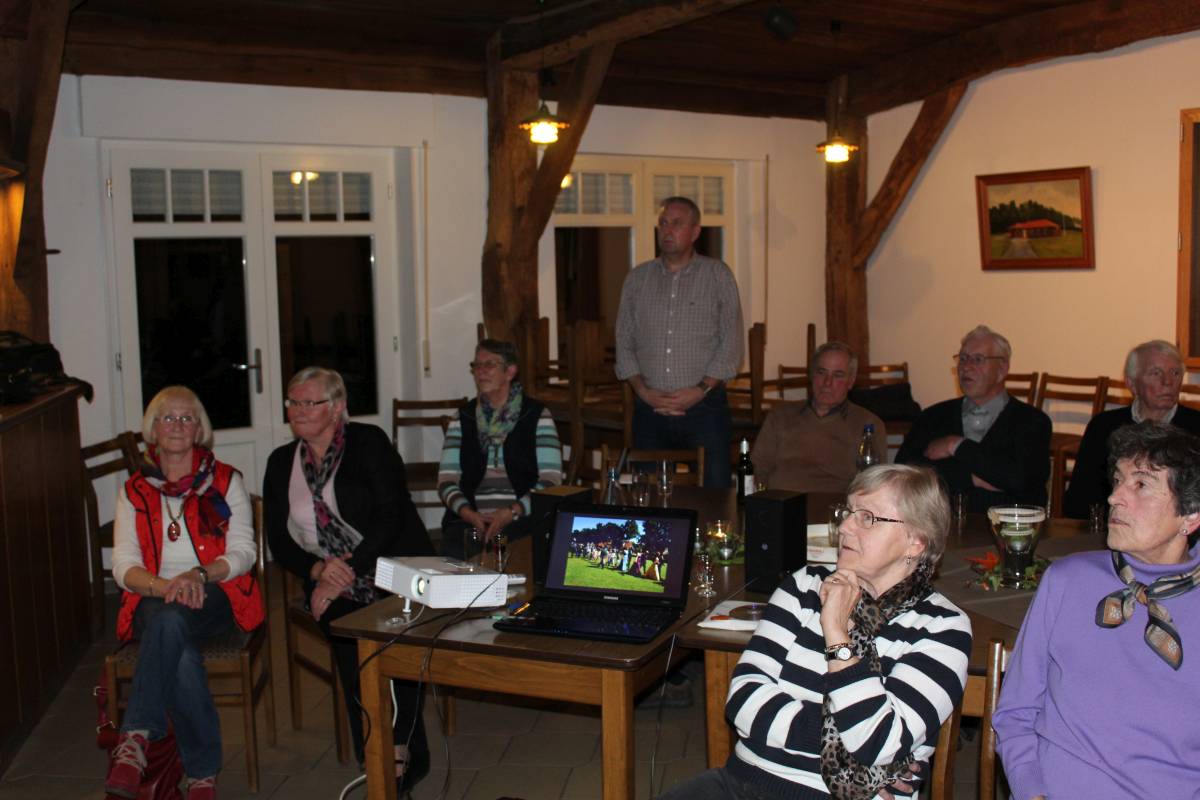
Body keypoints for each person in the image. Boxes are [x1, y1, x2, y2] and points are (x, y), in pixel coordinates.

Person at [659, 464, 971, 800]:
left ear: (916, 542)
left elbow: (878, 741)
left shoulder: (942, 627)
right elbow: (743, 698)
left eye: (867, 518)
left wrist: (836, 632)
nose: (845, 526)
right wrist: (848, 752)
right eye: (848, 512)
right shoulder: (805, 585)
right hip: (742, 783)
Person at [994, 422, 1200, 798]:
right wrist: (1031, 791)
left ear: (1190, 516)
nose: (1115, 496)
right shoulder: (1068, 580)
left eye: (1141, 484)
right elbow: (1015, 712)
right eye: (1118, 480)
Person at [263, 367, 434, 789]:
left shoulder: (368, 442)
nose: (298, 410)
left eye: (310, 402)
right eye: (293, 402)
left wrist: (349, 567)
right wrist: (319, 571)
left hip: (392, 561)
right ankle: (375, 749)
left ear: (337, 407)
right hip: (326, 573)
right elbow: (278, 541)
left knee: (396, 632)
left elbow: (390, 517)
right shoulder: (281, 462)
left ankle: (402, 747)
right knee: (349, 634)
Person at [105, 386, 263, 800]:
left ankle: (136, 737)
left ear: (199, 429)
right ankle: (202, 774)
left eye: (186, 418)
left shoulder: (225, 482)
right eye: (168, 418)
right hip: (152, 597)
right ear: (153, 429)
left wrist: (198, 575)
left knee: (169, 622)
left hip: (215, 593)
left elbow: (244, 553)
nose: (177, 425)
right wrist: (164, 586)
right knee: (177, 641)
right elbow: (123, 566)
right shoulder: (133, 491)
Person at [615, 195, 744, 489]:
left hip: (704, 409)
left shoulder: (717, 275)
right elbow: (623, 341)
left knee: (714, 494)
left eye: (676, 223)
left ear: (695, 232)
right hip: (650, 409)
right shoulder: (637, 279)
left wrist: (700, 390)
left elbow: (732, 343)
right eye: (663, 223)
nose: (667, 230)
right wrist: (643, 391)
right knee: (649, 496)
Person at [896, 325, 1050, 512]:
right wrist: (970, 478)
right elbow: (903, 474)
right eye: (962, 358)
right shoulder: (932, 416)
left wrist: (955, 445)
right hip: (942, 525)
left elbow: (1019, 480)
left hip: (1006, 527)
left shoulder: (1032, 422)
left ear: (1002, 369)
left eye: (978, 359)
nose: (966, 367)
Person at [437, 338, 562, 559]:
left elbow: (551, 480)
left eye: (489, 364)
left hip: (521, 517)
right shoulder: (463, 418)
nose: (480, 371)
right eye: (476, 365)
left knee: (513, 555)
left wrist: (511, 512)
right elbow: (446, 480)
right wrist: (469, 514)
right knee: (454, 554)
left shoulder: (536, 415)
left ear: (510, 371)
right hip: (471, 518)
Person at [1063, 339, 1200, 519]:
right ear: (1132, 384)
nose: (1168, 382)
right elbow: (1081, 498)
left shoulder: (1196, 428)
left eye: (1175, 373)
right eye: (1156, 373)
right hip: (1114, 525)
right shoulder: (1104, 426)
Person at [751, 341, 887, 493]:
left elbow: (873, 485)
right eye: (821, 372)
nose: (827, 382)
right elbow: (757, 469)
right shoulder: (781, 416)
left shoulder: (867, 424)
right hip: (779, 502)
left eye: (838, 375)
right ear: (811, 375)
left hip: (834, 505)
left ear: (851, 381)